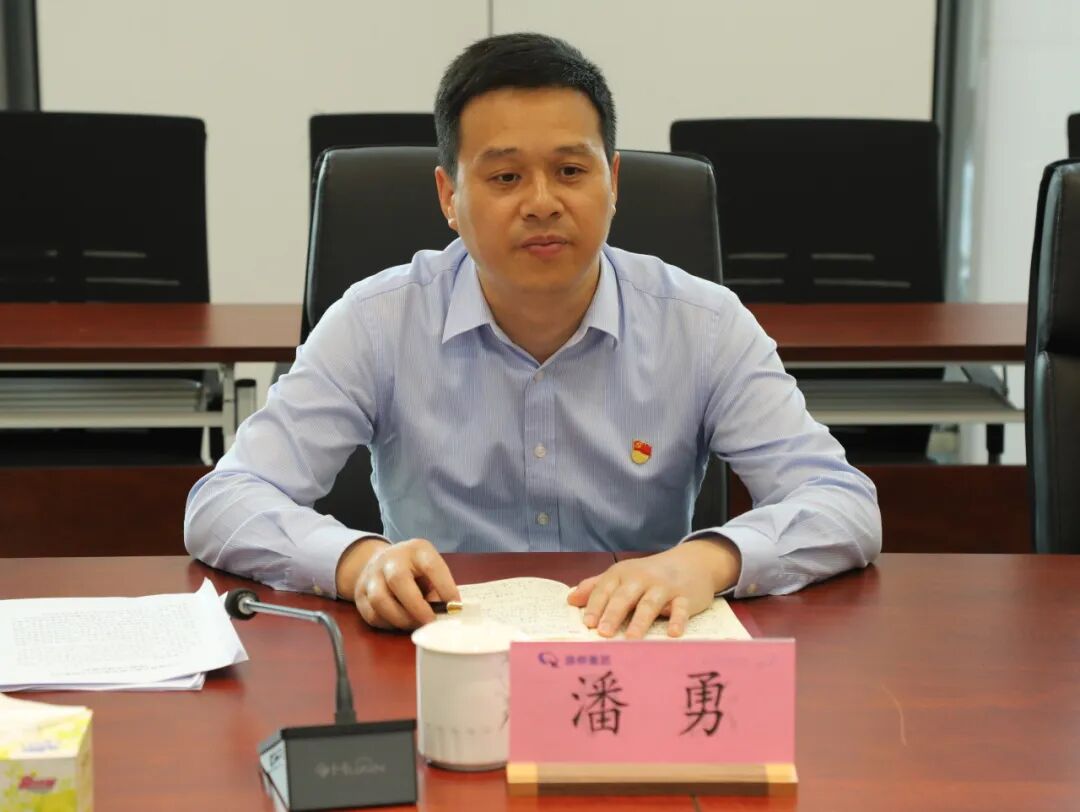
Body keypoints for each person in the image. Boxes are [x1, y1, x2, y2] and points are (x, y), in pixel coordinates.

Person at [185, 33, 881, 640]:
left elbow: (841, 502)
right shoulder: (377, 321)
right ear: (449, 196)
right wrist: (357, 563)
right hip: (438, 651)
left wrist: (707, 561)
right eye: (506, 176)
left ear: (613, 181)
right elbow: (225, 501)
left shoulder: (704, 326)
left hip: (633, 651)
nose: (543, 202)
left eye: (571, 171)